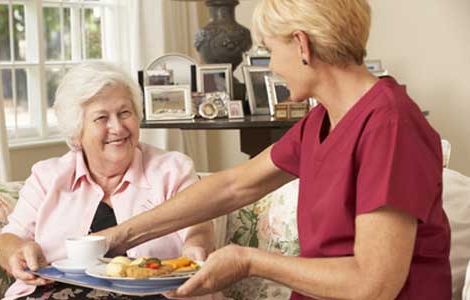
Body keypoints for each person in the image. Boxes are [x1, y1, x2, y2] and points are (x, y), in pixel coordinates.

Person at [97, 1, 452, 300]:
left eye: (268, 51)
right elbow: (234, 185)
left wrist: (249, 261)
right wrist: (120, 235)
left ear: (301, 45)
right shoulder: (322, 119)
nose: (270, 67)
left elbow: (374, 283)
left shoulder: (390, 123)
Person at [0, 62, 218, 300]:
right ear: (76, 133)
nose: (118, 127)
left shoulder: (171, 170)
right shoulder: (47, 177)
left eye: (124, 113)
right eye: (102, 118)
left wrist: (195, 248)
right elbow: (8, 240)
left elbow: (198, 225)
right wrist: (17, 253)